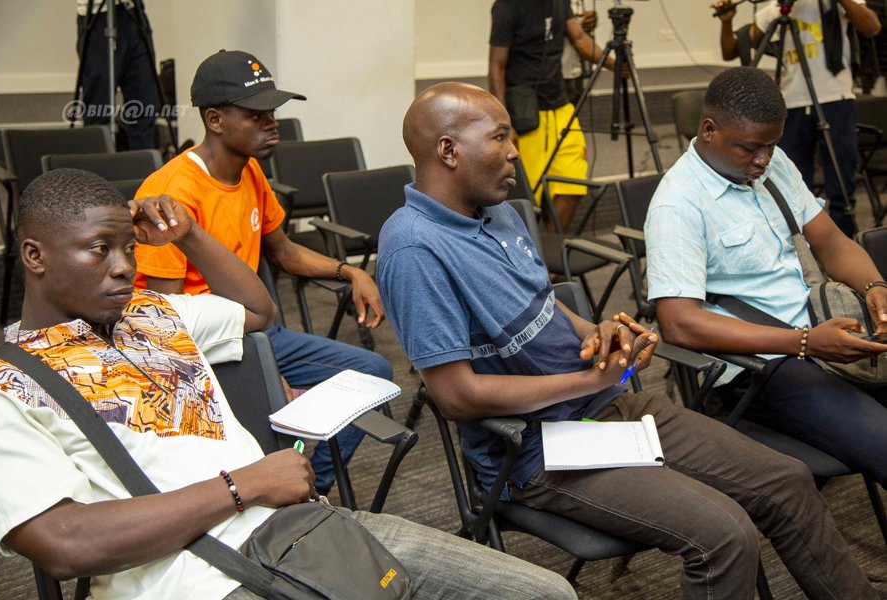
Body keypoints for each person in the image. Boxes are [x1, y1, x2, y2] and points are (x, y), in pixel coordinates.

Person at [377, 81, 880, 599]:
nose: (514, 150)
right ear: (448, 150)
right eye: (501, 137)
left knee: (786, 480)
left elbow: (546, 309)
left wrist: (598, 332)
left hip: (605, 404)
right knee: (724, 534)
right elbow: (455, 397)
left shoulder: (498, 210)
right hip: (535, 449)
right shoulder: (415, 247)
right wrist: (584, 379)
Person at [0, 168, 577, 600]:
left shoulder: (155, 313)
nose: (124, 266)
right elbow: (62, 543)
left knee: (547, 594)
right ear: (35, 256)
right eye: (99, 250)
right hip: (195, 582)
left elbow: (257, 310)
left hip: (303, 530)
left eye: (127, 247)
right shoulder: (5, 388)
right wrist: (241, 487)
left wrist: (189, 235)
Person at [133, 49, 393, 496]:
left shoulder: (250, 172)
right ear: (215, 120)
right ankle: (283, 488)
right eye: (256, 115)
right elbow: (168, 325)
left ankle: (315, 492)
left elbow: (284, 251)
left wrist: (350, 272)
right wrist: (265, 372)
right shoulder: (171, 192)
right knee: (276, 415)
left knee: (373, 372)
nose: (271, 124)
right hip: (206, 348)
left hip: (256, 332)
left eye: (272, 113)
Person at [646, 66, 887, 488]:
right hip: (762, 367)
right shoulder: (678, 205)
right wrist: (807, 343)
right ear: (708, 130)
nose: (763, 160)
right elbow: (679, 323)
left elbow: (831, 244)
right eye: (750, 148)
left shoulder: (771, 166)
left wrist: (875, 287)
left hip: (823, 331)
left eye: (771, 146)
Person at [710, 0, 881, 237]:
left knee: (842, 186)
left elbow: (872, 26)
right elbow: (731, 51)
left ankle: (846, 247)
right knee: (791, 186)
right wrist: (727, 23)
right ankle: (801, 250)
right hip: (792, 104)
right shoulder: (776, 8)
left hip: (836, 98)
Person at [488, 0, 615, 232]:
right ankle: (521, 258)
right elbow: (497, 66)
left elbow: (578, 38)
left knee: (573, 183)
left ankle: (551, 254)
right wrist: (503, 123)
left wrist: (613, 64)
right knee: (524, 196)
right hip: (525, 115)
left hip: (561, 108)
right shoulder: (507, 6)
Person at [76, 0, 159, 150]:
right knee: (99, 109)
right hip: (97, 16)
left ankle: (143, 170)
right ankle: (98, 170)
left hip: (133, 12)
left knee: (145, 106)